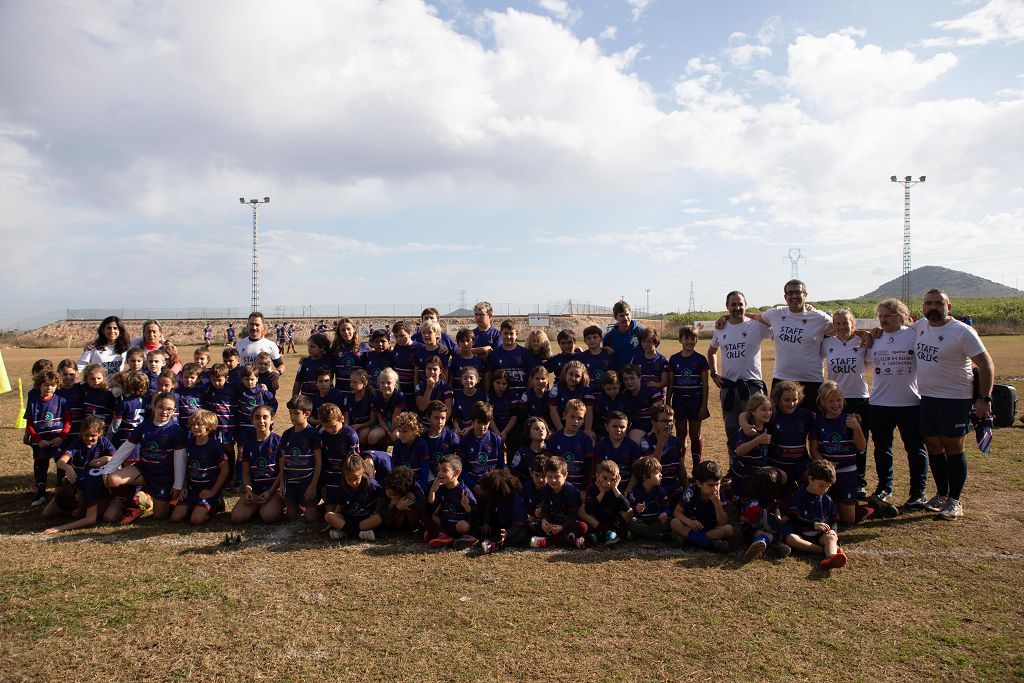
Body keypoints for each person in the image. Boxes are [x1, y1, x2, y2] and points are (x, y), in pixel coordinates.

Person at [914, 289, 994, 520]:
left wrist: (984, 398)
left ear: (948, 307)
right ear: (923, 307)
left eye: (939, 303)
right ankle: (941, 494)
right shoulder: (920, 326)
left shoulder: (962, 331)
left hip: (955, 399)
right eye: (928, 303)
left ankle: (955, 500)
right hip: (927, 398)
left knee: (953, 446)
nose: (933, 307)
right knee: (933, 445)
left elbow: (985, 364)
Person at [868, 298, 929, 510]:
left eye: (888, 316)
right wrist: (868, 334)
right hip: (879, 402)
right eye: (881, 316)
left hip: (909, 402)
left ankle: (917, 492)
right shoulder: (875, 337)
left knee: (915, 449)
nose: (883, 320)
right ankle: (885, 487)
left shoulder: (913, 334)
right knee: (882, 448)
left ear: (901, 316)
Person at [812, 381, 897, 524]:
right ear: (822, 402)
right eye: (831, 401)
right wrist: (823, 463)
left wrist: (857, 428)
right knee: (825, 514)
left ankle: (873, 506)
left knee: (848, 521)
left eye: (839, 400)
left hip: (847, 473)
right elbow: (814, 448)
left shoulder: (850, 420)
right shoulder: (817, 422)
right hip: (826, 474)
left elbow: (862, 447)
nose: (835, 404)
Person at [100, 392, 187, 522]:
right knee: (113, 479)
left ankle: (157, 499)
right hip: (144, 471)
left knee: (159, 516)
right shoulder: (144, 426)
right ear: (154, 407)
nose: (164, 411)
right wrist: (108, 469)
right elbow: (126, 447)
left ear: (174, 411)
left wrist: (178, 485)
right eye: (161, 407)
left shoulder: (176, 431)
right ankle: (133, 503)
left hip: (164, 477)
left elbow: (181, 460)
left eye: (169, 409)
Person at [745, 280, 832, 410]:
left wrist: (864, 334)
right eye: (790, 293)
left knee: (812, 425)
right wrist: (727, 318)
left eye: (798, 292)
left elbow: (843, 328)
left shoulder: (819, 317)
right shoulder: (776, 313)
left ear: (805, 295)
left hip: (812, 380)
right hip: (782, 379)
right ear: (785, 297)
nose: (794, 296)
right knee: (779, 423)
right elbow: (754, 316)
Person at [707, 291, 771, 468]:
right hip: (729, 388)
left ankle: (759, 466)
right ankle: (734, 467)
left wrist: (726, 316)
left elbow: (777, 327)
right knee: (732, 430)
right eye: (733, 305)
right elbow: (711, 351)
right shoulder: (721, 328)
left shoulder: (757, 326)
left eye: (740, 304)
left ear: (746, 304)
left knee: (756, 428)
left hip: (751, 388)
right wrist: (714, 374)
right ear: (727, 306)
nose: (737, 307)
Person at [821, 308, 871, 498]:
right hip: (834, 399)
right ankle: (833, 478)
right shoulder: (827, 343)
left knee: (858, 442)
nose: (842, 327)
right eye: (838, 323)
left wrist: (865, 334)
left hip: (858, 398)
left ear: (853, 324)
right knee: (835, 441)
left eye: (845, 323)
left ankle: (859, 482)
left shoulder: (863, 342)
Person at [783, 459, 847, 569]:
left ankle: (830, 557)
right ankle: (823, 551)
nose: (824, 489)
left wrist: (833, 531)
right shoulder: (799, 496)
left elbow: (833, 519)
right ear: (810, 479)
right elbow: (793, 517)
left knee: (831, 537)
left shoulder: (827, 499)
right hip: (800, 533)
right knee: (791, 539)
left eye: (827, 487)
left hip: (820, 535)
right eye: (821, 486)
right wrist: (813, 525)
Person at [170, 410, 229, 525]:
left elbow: (225, 470)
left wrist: (212, 492)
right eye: (192, 424)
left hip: (208, 489)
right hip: (193, 489)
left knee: (196, 520)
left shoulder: (214, 445)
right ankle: (195, 505)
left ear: (209, 426)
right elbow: (188, 467)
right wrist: (185, 487)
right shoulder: (190, 443)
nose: (195, 427)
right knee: (175, 518)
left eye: (199, 424)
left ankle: (216, 503)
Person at [25, 370, 71, 507]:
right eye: (45, 385)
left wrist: (62, 437)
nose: (49, 388)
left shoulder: (62, 401)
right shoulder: (33, 403)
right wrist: (38, 441)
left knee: (60, 464)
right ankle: (41, 493)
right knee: (41, 465)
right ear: (39, 385)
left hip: (57, 440)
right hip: (41, 441)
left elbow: (68, 421)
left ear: (57, 386)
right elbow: (30, 425)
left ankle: (61, 490)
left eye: (52, 385)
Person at [231, 405, 283, 524]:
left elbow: (283, 471)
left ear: (272, 419)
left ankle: (275, 505)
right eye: (257, 417)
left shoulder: (279, 442)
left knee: (267, 516)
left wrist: (270, 492)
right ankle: (258, 507)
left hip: (274, 490)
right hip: (256, 491)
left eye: (265, 417)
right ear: (252, 420)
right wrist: (249, 490)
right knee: (237, 517)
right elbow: (246, 472)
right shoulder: (248, 445)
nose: (261, 421)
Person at [667, 326, 710, 467]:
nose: (689, 341)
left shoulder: (701, 359)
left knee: (694, 434)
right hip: (679, 401)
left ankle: (697, 466)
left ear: (697, 340)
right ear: (680, 340)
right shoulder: (674, 359)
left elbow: (705, 384)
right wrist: (668, 403)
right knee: (681, 435)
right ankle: (681, 466)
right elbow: (670, 384)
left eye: (693, 338)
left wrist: (704, 406)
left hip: (695, 401)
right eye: (686, 338)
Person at [669, 460, 732, 553]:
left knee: (728, 529)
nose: (715, 489)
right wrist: (690, 522)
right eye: (710, 485)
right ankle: (709, 544)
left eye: (717, 484)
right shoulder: (691, 492)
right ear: (699, 483)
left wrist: (717, 504)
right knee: (674, 522)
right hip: (691, 527)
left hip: (710, 529)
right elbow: (677, 512)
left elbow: (723, 522)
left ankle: (690, 539)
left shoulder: (720, 495)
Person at [530, 455, 587, 549]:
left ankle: (549, 541)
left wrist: (562, 527)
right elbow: (545, 509)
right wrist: (544, 520)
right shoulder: (546, 489)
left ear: (565, 475)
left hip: (567, 524)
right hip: (553, 524)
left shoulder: (570, 492)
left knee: (582, 527)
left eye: (557, 477)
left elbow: (573, 515)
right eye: (549, 477)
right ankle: (572, 540)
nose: (553, 480)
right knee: (534, 526)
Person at [325, 454, 384, 542]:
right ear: (344, 476)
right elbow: (340, 504)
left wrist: (377, 510)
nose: (353, 483)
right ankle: (358, 534)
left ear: (362, 474)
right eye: (349, 479)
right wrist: (333, 522)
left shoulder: (371, 484)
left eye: (356, 479)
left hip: (366, 519)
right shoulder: (343, 485)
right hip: (349, 519)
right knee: (328, 516)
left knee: (378, 518)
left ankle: (346, 532)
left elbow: (381, 498)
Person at [425, 454, 478, 549]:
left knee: (463, 526)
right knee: (428, 515)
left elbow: (474, 513)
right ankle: (443, 536)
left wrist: (466, 507)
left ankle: (462, 539)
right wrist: (433, 490)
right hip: (447, 523)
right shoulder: (441, 488)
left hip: (459, 524)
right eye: (439, 470)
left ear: (456, 472)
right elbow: (431, 503)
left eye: (444, 471)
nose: (440, 474)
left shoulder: (464, 490)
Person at [740, 466, 791, 561]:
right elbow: (745, 518)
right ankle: (759, 544)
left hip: (770, 527)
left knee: (777, 533)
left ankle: (777, 546)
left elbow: (777, 511)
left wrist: (779, 520)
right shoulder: (753, 502)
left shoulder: (772, 501)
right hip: (753, 529)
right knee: (766, 535)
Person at [546, 398, 595, 495]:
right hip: (556, 484)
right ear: (564, 415)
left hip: (578, 486)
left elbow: (589, 467)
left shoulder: (586, 440)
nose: (576, 421)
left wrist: (584, 489)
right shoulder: (554, 438)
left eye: (580, 418)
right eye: (572, 417)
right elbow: (548, 464)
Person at [477, 468, 532, 554]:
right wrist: (486, 523)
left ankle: (497, 545)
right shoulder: (495, 498)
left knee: (520, 535)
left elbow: (518, 525)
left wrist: (507, 534)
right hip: (504, 526)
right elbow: (489, 509)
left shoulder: (515, 501)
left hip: (517, 529)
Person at [731, 394, 773, 502]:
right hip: (744, 474)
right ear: (753, 412)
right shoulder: (748, 430)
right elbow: (739, 451)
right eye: (763, 409)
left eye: (770, 409)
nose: (768, 413)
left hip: (759, 473)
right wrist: (758, 440)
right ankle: (730, 491)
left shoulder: (768, 427)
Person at [456, 401, 505, 492]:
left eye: (485, 423)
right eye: (479, 422)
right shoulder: (465, 441)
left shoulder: (497, 440)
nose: (482, 427)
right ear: (473, 421)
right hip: (472, 486)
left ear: (490, 422)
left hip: (493, 485)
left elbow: (502, 467)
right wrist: (473, 485)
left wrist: (495, 484)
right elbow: (460, 468)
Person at [580, 459, 630, 547]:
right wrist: (601, 493)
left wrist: (615, 489)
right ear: (597, 476)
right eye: (605, 478)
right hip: (597, 522)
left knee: (630, 510)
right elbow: (588, 510)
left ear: (618, 478)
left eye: (612, 479)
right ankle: (605, 532)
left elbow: (626, 507)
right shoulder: (593, 488)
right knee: (582, 509)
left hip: (614, 522)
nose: (608, 483)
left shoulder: (616, 489)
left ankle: (609, 534)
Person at [625, 455, 671, 541]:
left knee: (669, 521)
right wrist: (636, 509)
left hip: (655, 519)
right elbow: (629, 510)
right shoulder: (634, 491)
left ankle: (643, 534)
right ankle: (658, 536)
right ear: (645, 476)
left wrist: (665, 513)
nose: (661, 475)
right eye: (657, 473)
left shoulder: (660, 490)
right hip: (641, 520)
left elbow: (666, 506)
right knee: (632, 523)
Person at [595, 411, 641, 490]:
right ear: (607, 427)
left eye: (622, 427)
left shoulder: (632, 446)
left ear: (627, 428)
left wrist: (627, 492)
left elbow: (636, 473)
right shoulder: (601, 445)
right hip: (606, 488)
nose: (618, 429)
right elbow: (598, 471)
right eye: (614, 426)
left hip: (627, 488)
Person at [485, 319, 533, 395]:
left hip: (521, 396)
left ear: (517, 334)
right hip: (500, 397)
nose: (508, 336)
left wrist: (528, 394)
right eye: (505, 333)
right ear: (500, 333)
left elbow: (531, 376)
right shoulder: (494, 354)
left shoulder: (525, 353)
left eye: (511, 333)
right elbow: (488, 376)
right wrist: (487, 394)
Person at [621, 365, 664, 445]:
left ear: (639, 378)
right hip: (638, 425)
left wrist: (655, 427)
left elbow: (660, 411)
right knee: (633, 443)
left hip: (655, 423)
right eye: (626, 379)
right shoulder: (624, 395)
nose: (629, 382)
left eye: (632, 378)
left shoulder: (650, 390)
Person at [548, 360, 593, 434]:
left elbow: (589, 410)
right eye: (571, 374)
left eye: (577, 376)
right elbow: (553, 410)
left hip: (580, 426)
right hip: (560, 425)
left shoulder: (586, 389)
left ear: (582, 377)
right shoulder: (557, 387)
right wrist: (561, 430)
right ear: (565, 373)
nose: (573, 378)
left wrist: (587, 430)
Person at [390, 411, 431, 491]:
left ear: (414, 430)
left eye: (405, 431)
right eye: (399, 431)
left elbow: (425, 469)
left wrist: (422, 489)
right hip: (403, 480)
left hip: (419, 479)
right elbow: (394, 466)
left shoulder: (421, 445)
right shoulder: (398, 443)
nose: (401, 434)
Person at [413, 356, 454, 429]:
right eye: (429, 369)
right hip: (423, 424)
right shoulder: (420, 386)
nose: (432, 372)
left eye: (435, 369)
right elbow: (422, 407)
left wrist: (440, 425)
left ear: (440, 371)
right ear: (425, 370)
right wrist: (429, 389)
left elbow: (448, 409)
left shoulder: (446, 387)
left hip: (441, 424)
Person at [368, 368, 405, 448]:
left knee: (397, 436)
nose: (385, 385)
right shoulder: (377, 397)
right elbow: (380, 419)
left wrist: (392, 434)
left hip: (397, 424)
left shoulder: (399, 396)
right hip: (384, 425)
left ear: (395, 384)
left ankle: (398, 455)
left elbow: (395, 420)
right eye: (382, 382)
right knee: (372, 437)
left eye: (389, 383)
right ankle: (380, 453)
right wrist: (388, 432)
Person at [603, 300, 646, 368]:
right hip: (618, 375)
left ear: (630, 314)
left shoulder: (641, 332)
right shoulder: (609, 337)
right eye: (621, 316)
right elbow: (605, 357)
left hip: (637, 375)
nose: (625, 318)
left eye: (627, 314)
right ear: (615, 317)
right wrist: (604, 349)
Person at [577, 325, 619, 394]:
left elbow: (616, 374)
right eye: (589, 338)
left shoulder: (609, 354)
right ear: (585, 341)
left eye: (595, 337)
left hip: (607, 393)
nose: (592, 340)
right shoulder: (581, 357)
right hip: (588, 394)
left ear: (601, 338)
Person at [292, 333, 333, 398]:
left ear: (322, 348)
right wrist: (294, 399)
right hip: (307, 400)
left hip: (325, 399)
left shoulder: (329, 361)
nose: (309, 349)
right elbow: (298, 381)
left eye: (312, 347)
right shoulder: (305, 362)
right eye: (308, 346)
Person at [391, 320, 422, 395]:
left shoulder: (420, 348)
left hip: (414, 393)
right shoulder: (397, 347)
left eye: (402, 335)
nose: (398, 339)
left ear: (409, 333)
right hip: (399, 393)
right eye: (396, 336)